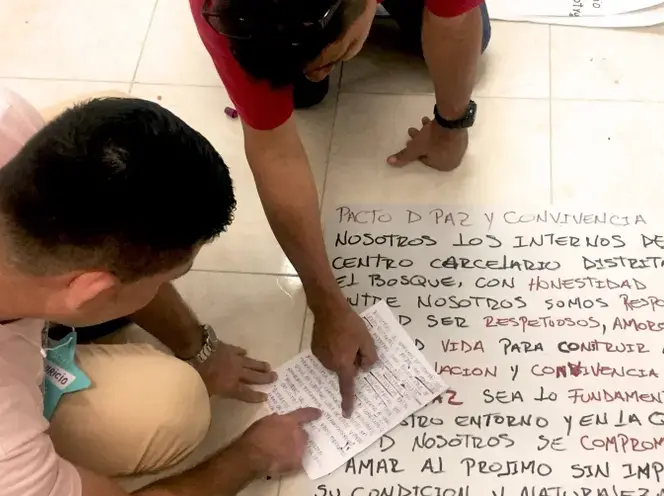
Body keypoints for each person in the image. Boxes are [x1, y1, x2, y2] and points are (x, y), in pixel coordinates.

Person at [0, 78, 320, 496]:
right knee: (170, 410)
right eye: (163, 280)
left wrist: (198, 347)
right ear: (90, 290)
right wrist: (251, 456)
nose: (165, 287)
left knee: (131, 138)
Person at [189, 0, 489, 414]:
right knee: (302, 93)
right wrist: (326, 304)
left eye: (331, 58)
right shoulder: (226, 11)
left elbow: (455, 21)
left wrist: (451, 126)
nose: (315, 70)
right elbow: (275, 152)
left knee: (469, 35)